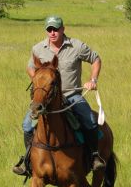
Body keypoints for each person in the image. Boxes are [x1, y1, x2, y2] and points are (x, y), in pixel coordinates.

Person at [13, 15, 105, 175]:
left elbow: (95, 59)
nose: (53, 32)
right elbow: (30, 67)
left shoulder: (76, 46)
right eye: (49, 29)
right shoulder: (38, 48)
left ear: (63, 29)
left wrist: (93, 80)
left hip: (72, 95)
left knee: (89, 120)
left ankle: (94, 156)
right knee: (27, 125)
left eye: (56, 29)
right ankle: (28, 162)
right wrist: (39, 83)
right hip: (47, 99)